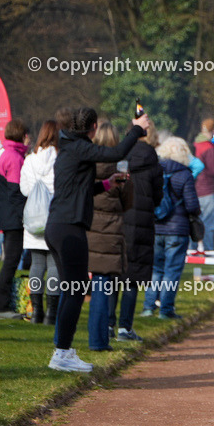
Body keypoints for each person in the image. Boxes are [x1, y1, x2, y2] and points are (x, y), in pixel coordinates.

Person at [46, 107, 150, 371]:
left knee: (72, 288)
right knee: (77, 288)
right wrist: (137, 128)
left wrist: (106, 184)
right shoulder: (80, 147)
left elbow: (78, 189)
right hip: (70, 228)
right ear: (93, 127)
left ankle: (62, 351)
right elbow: (116, 152)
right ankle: (62, 353)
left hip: (58, 226)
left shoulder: (69, 147)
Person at [110, 121, 163, 341]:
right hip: (141, 222)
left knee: (113, 274)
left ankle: (108, 325)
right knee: (132, 277)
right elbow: (158, 197)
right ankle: (125, 328)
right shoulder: (153, 161)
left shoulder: (119, 157)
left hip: (119, 219)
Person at [87, 122, 133, 351]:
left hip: (89, 229)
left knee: (91, 285)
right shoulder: (120, 171)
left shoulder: (86, 166)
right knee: (104, 286)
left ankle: (94, 337)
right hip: (111, 230)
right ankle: (100, 338)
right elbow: (128, 202)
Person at [142, 137, 199, 320]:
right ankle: (166, 309)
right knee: (172, 271)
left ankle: (148, 307)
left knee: (155, 269)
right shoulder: (185, 174)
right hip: (177, 229)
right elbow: (192, 206)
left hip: (156, 227)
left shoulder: (154, 171)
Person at [19, 120, 60, 324]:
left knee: (36, 264)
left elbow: (24, 189)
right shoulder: (60, 160)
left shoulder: (29, 160)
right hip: (54, 217)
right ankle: (51, 312)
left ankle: (36, 311)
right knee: (53, 265)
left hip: (34, 218)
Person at [0, 118, 31, 319]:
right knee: (11, 260)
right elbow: (16, 191)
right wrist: (24, 217)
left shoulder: (6, 153)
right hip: (13, 217)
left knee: (10, 259)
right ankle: (2, 305)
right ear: (22, 135)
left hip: (6, 214)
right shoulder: (15, 157)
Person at [192, 118, 214, 251]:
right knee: (208, 223)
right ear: (212, 130)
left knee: (194, 221)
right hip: (207, 189)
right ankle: (208, 250)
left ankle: (190, 250)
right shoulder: (209, 147)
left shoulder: (195, 144)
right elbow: (213, 170)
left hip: (194, 189)